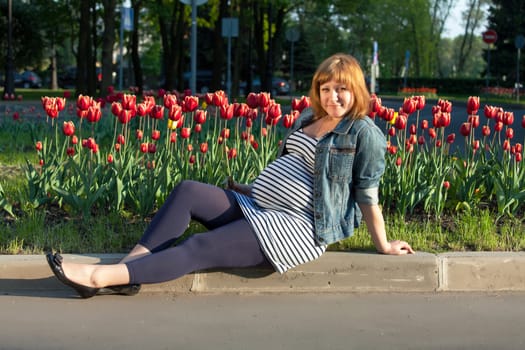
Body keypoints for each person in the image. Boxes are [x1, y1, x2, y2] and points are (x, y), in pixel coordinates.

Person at [46, 53, 414, 298]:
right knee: (188, 190)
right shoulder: (308, 119)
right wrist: (251, 188)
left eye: (342, 89)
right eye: (326, 88)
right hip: (258, 205)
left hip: (295, 227)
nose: (333, 96)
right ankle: (129, 272)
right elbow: (294, 170)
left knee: (198, 248)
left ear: (356, 90)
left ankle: (99, 279)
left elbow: (367, 194)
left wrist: (383, 245)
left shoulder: (363, 132)